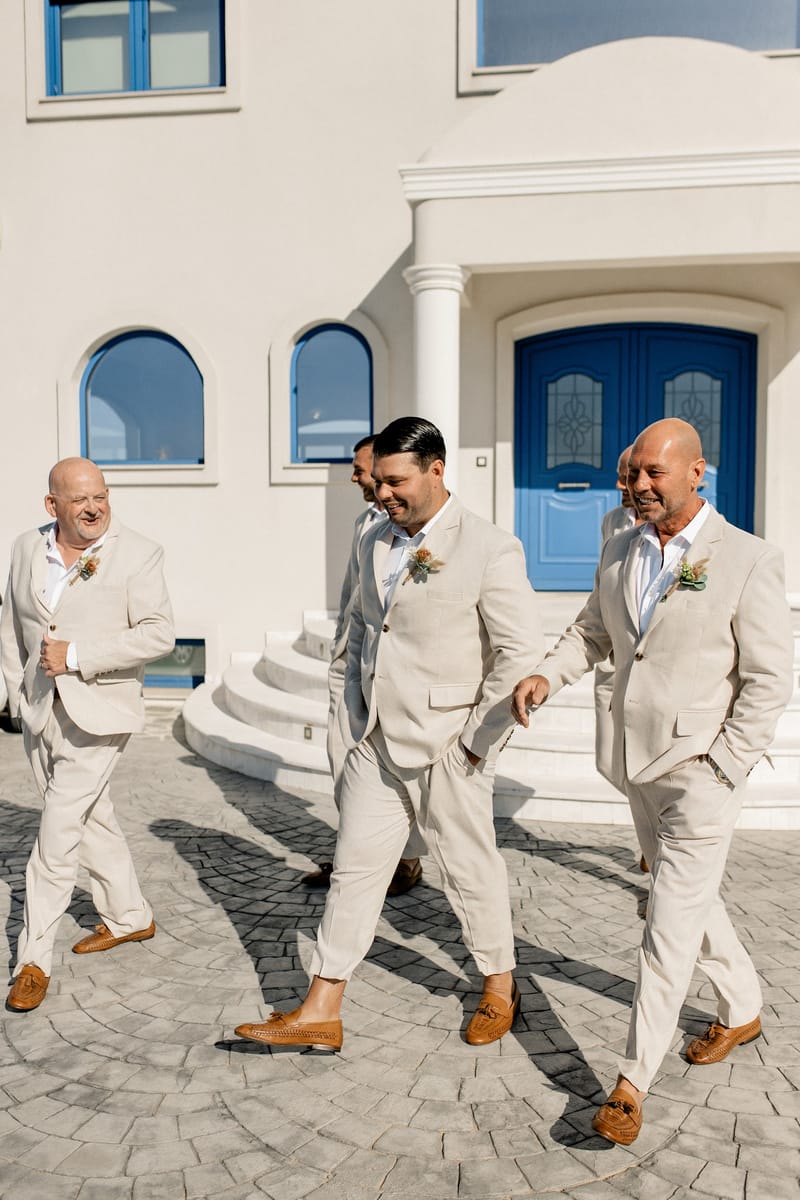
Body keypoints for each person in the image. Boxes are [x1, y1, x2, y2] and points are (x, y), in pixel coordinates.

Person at [512, 418, 793, 1145]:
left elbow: (766, 680)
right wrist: (549, 672)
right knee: (689, 901)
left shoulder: (752, 560)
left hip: (701, 772)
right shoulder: (617, 544)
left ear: (698, 471)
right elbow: (592, 631)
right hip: (634, 766)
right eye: (630, 472)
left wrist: (725, 765)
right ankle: (742, 1007)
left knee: (665, 926)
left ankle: (631, 1082)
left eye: (652, 474)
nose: (636, 486)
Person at [236, 417, 544, 1052]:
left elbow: (518, 655)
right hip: (374, 738)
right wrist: (347, 719)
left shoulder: (491, 546)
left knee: (470, 869)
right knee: (353, 870)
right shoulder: (373, 537)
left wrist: (474, 745)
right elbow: (357, 627)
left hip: (450, 743)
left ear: (436, 470)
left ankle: (498, 983)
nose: (381, 495)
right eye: (376, 482)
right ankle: (322, 1008)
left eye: (395, 482)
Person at [1, 458, 175, 1012]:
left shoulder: (139, 552)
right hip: (40, 708)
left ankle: (33, 959)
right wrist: (14, 697)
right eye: (80, 501)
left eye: (101, 495)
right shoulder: (27, 547)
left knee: (56, 835)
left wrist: (77, 657)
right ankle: (129, 916)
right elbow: (13, 626)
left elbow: (160, 634)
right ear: (53, 506)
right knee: (91, 816)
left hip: (101, 711)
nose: (95, 507)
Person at [302, 434, 425, 895]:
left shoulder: (417, 526)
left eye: (360, 469)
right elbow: (354, 590)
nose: (356, 477)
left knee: (389, 773)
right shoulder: (364, 521)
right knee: (343, 762)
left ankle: (406, 862)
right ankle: (354, 856)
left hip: (392, 670)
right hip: (351, 659)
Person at [594, 446, 649, 872]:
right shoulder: (613, 522)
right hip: (614, 657)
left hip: (655, 677)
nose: (621, 485)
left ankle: (657, 850)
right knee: (610, 761)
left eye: (627, 475)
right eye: (621, 475)